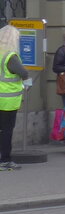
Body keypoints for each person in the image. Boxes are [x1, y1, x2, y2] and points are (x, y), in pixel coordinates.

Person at [0, 24, 34, 171]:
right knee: (7, 130)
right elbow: (23, 72)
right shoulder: (10, 56)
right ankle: (5, 160)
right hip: (8, 100)